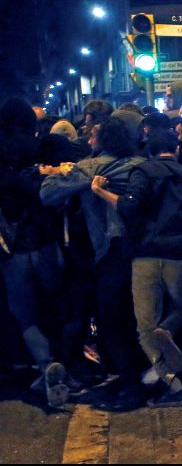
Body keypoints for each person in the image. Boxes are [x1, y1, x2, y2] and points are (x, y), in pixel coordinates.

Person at [40, 117, 147, 410]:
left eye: (93, 137)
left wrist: (62, 175)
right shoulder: (141, 162)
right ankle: (149, 376)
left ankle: (131, 385)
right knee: (142, 318)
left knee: (113, 320)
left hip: (111, 251)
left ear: (103, 141)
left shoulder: (91, 168)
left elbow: (47, 193)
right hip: (146, 249)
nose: (89, 141)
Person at [90, 132, 182, 408]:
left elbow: (129, 206)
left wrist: (100, 191)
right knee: (180, 309)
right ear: (175, 148)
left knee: (145, 326)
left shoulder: (142, 171)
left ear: (149, 151)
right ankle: (169, 330)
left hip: (146, 255)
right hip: (181, 254)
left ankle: (171, 383)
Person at [0, 97, 69, 408]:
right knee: (55, 307)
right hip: (46, 243)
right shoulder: (41, 148)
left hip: (13, 249)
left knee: (25, 315)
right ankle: (65, 363)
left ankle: (46, 365)